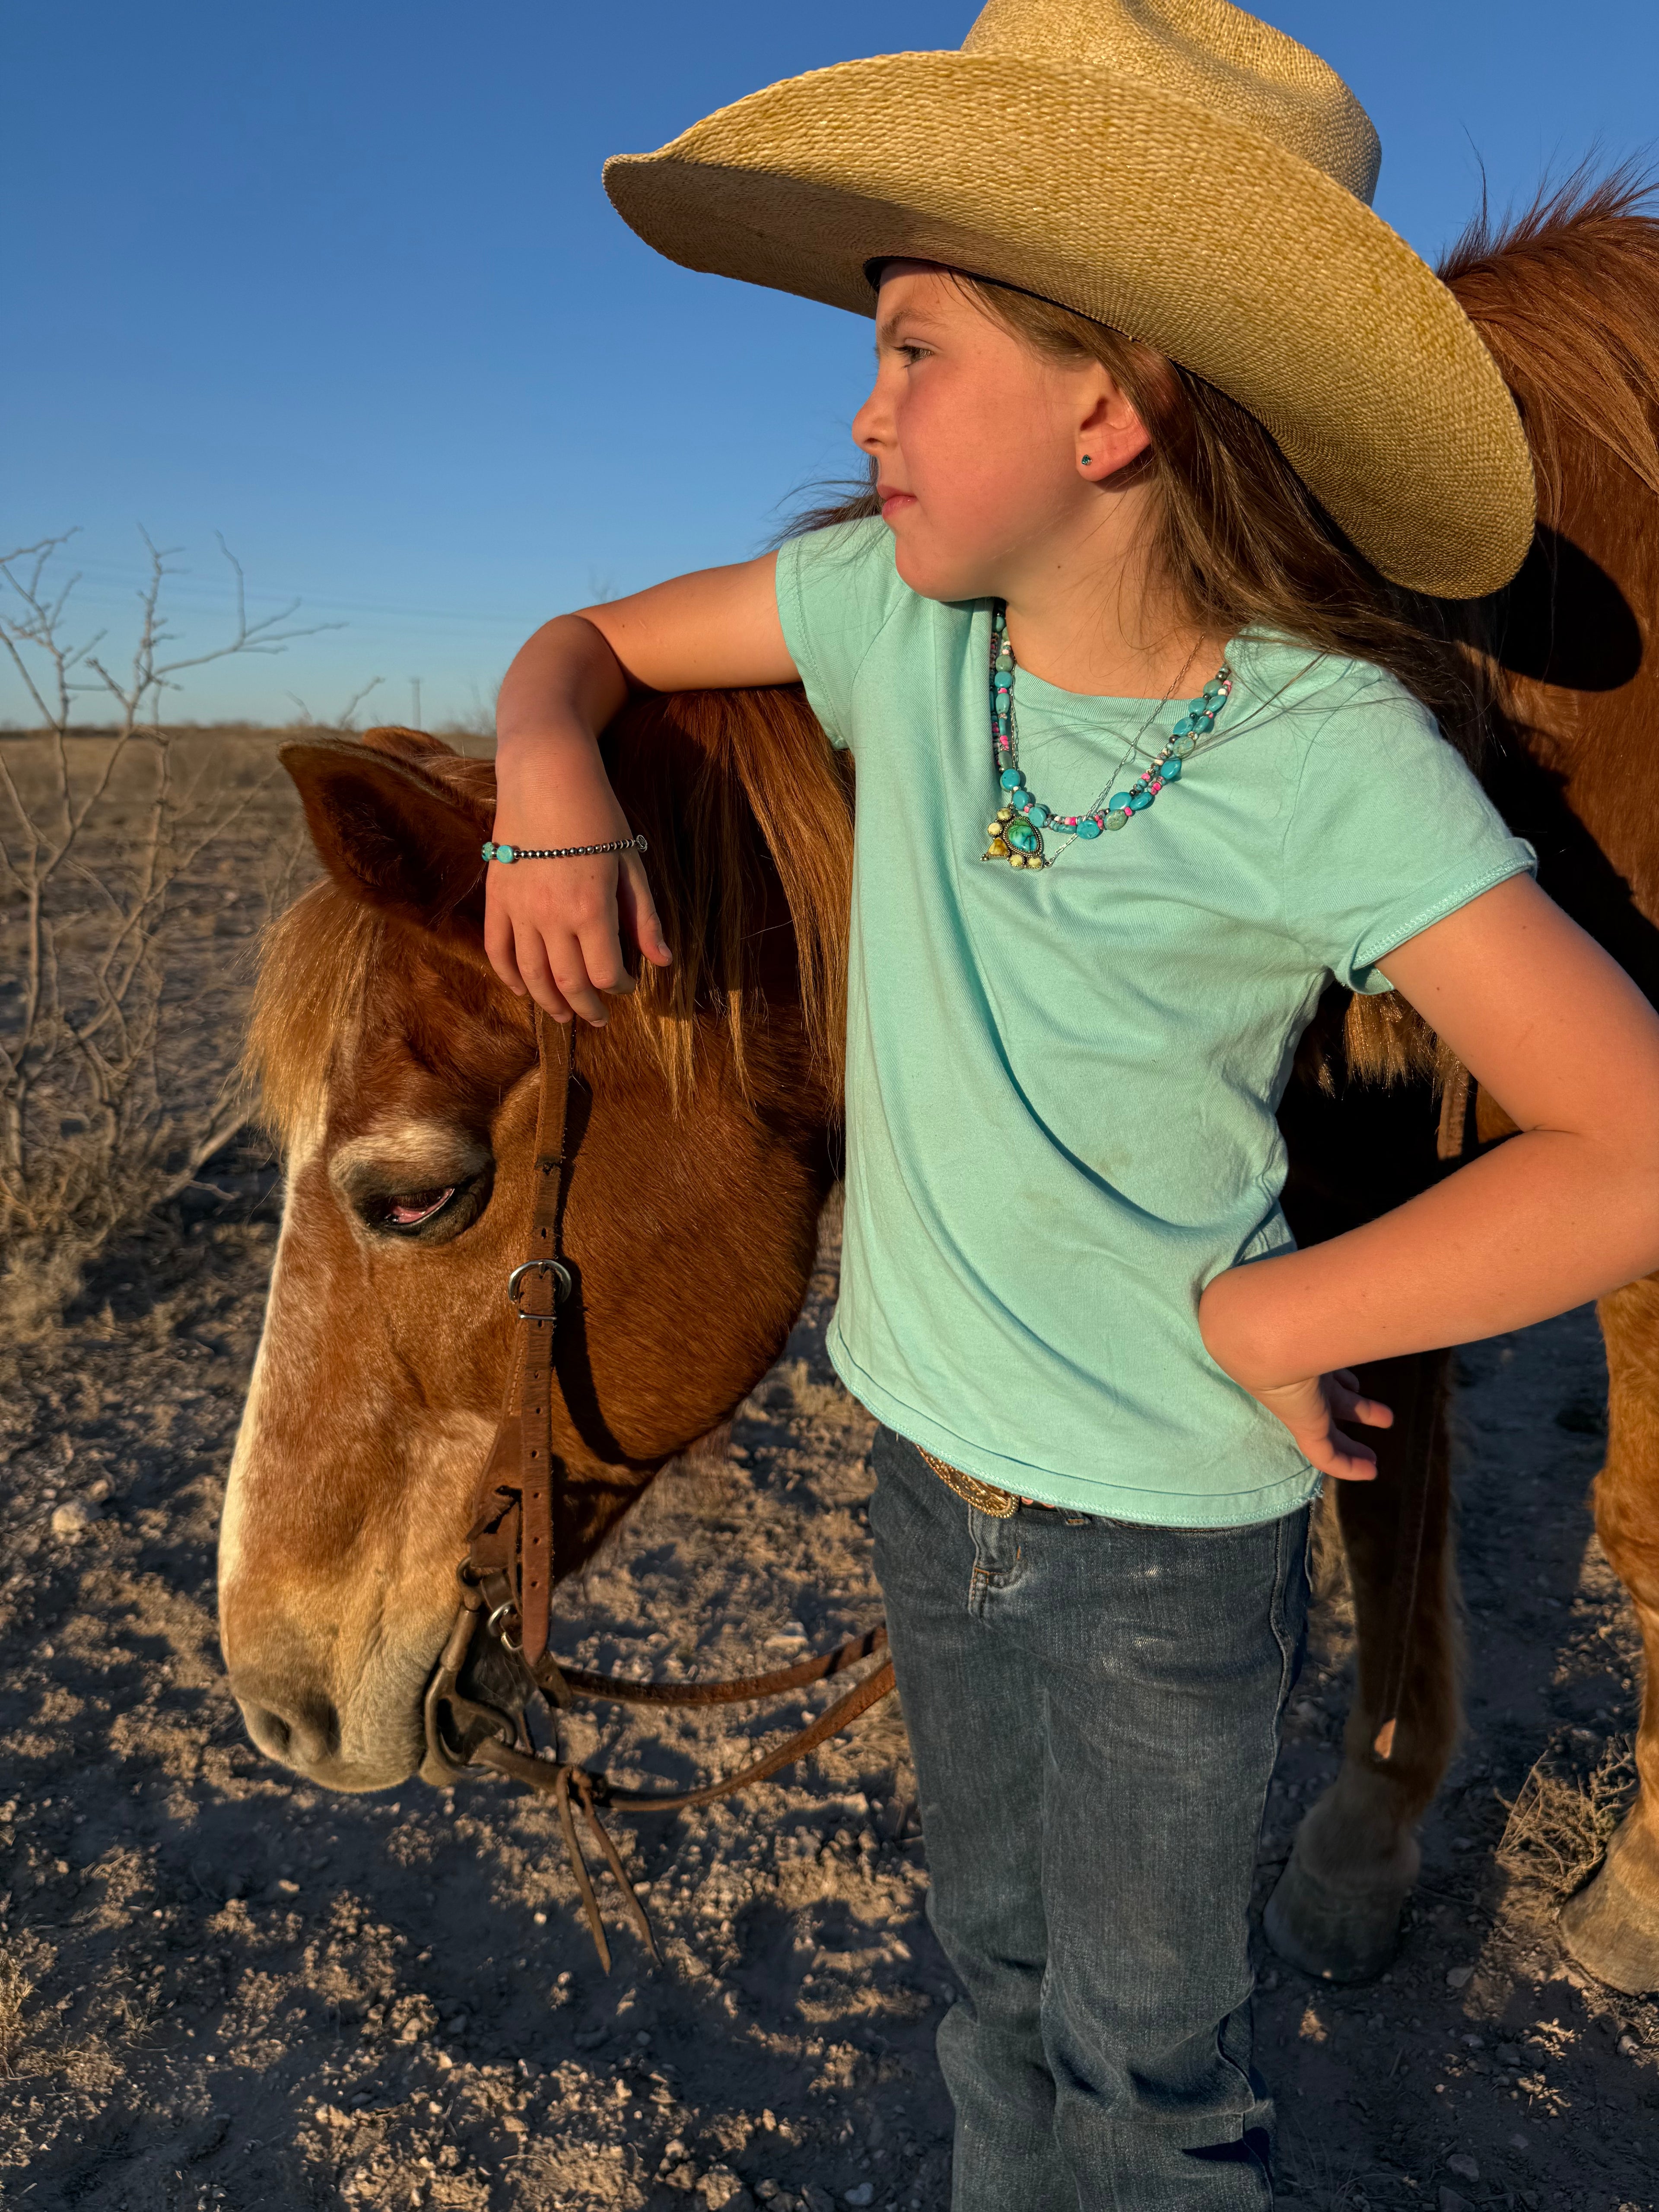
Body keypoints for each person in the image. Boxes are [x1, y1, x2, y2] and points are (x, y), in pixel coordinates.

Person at [483, 4, 1659, 2204]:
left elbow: (1637, 1133)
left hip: (1156, 1547)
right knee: (987, 1985)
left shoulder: (1325, 751)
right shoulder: (898, 628)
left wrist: (1272, 1323)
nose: (863, 414)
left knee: (1150, 2072)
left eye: (916, 350)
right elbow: (589, 642)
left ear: (1111, 401)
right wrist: (549, 766)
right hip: (931, 1482)